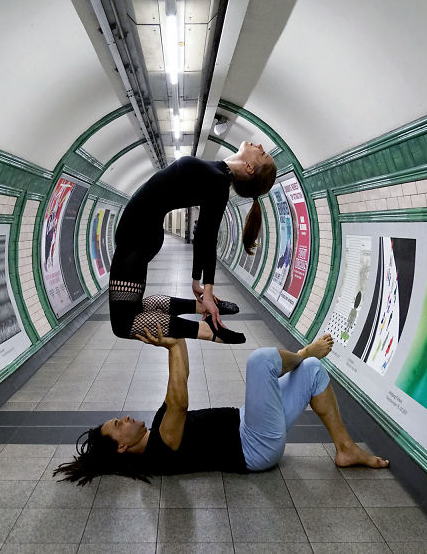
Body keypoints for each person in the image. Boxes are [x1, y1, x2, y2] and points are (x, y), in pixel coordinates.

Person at [54, 327, 389, 485]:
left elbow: (181, 377)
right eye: (118, 425)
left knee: (314, 373)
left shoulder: (158, 429)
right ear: (123, 447)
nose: (124, 418)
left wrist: (175, 341)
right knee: (261, 362)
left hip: (252, 425)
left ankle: (345, 448)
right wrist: (171, 347)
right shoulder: (158, 449)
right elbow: (180, 402)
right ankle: (302, 353)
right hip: (254, 444)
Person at [109, 142, 277, 345]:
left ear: (250, 167)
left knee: (124, 324)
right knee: (133, 311)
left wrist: (207, 290)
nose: (259, 145)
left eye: (263, 152)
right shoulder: (218, 171)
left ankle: (205, 330)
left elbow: (207, 237)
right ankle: (198, 309)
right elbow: (202, 236)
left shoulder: (219, 181)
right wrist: (196, 281)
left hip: (137, 237)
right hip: (140, 235)